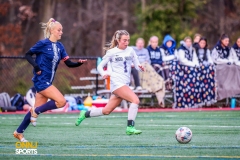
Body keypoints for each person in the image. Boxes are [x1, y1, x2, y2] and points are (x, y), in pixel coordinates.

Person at [13, 18, 87, 142]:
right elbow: (27, 54)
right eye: (59, 30)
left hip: (47, 82)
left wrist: (78, 63)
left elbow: (68, 63)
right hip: (41, 81)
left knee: (33, 109)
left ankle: (18, 132)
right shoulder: (43, 44)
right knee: (61, 102)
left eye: (62, 30)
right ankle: (36, 112)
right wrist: (36, 66)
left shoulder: (60, 46)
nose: (61, 32)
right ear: (52, 31)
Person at [75, 30, 144, 135]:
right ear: (118, 40)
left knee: (106, 110)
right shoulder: (112, 52)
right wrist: (103, 73)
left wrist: (140, 68)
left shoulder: (131, 50)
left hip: (124, 84)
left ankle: (85, 114)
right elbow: (100, 66)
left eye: (128, 40)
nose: (127, 42)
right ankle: (130, 127)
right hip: (116, 83)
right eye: (124, 40)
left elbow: (136, 64)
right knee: (135, 100)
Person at [175, 37, 200, 108]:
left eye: (190, 41)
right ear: (184, 42)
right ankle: (186, 100)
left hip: (191, 66)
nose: (188, 43)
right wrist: (193, 65)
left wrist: (196, 65)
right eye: (187, 41)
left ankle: (194, 100)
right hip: (183, 67)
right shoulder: (181, 49)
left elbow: (195, 59)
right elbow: (183, 61)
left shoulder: (192, 49)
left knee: (198, 72)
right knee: (192, 73)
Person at [195, 37, 216, 106]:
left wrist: (211, 64)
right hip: (198, 67)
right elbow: (194, 60)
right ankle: (199, 100)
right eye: (201, 43)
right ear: (199, 43)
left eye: (204, 43)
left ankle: (208, 98)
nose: (203, 44)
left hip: (205, 68)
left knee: (210, 70)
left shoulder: (207, 51)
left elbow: (209, 59)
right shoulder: (195, 50)